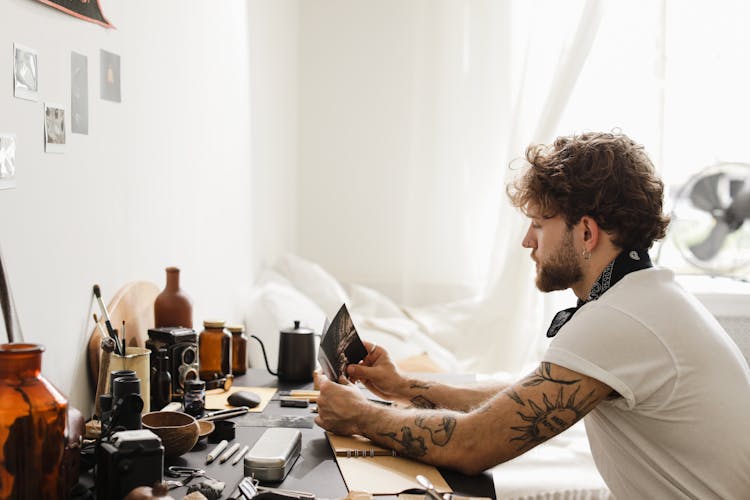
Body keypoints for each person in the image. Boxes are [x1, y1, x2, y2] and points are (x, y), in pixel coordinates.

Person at [315, 131, 750, 499]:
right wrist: (401, 386)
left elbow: (472, 444)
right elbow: (524, 398)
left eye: (540, 224)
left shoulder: (620, 317)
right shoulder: (643, 298)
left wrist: (360, 415)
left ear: (585, 232)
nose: (527, 241)